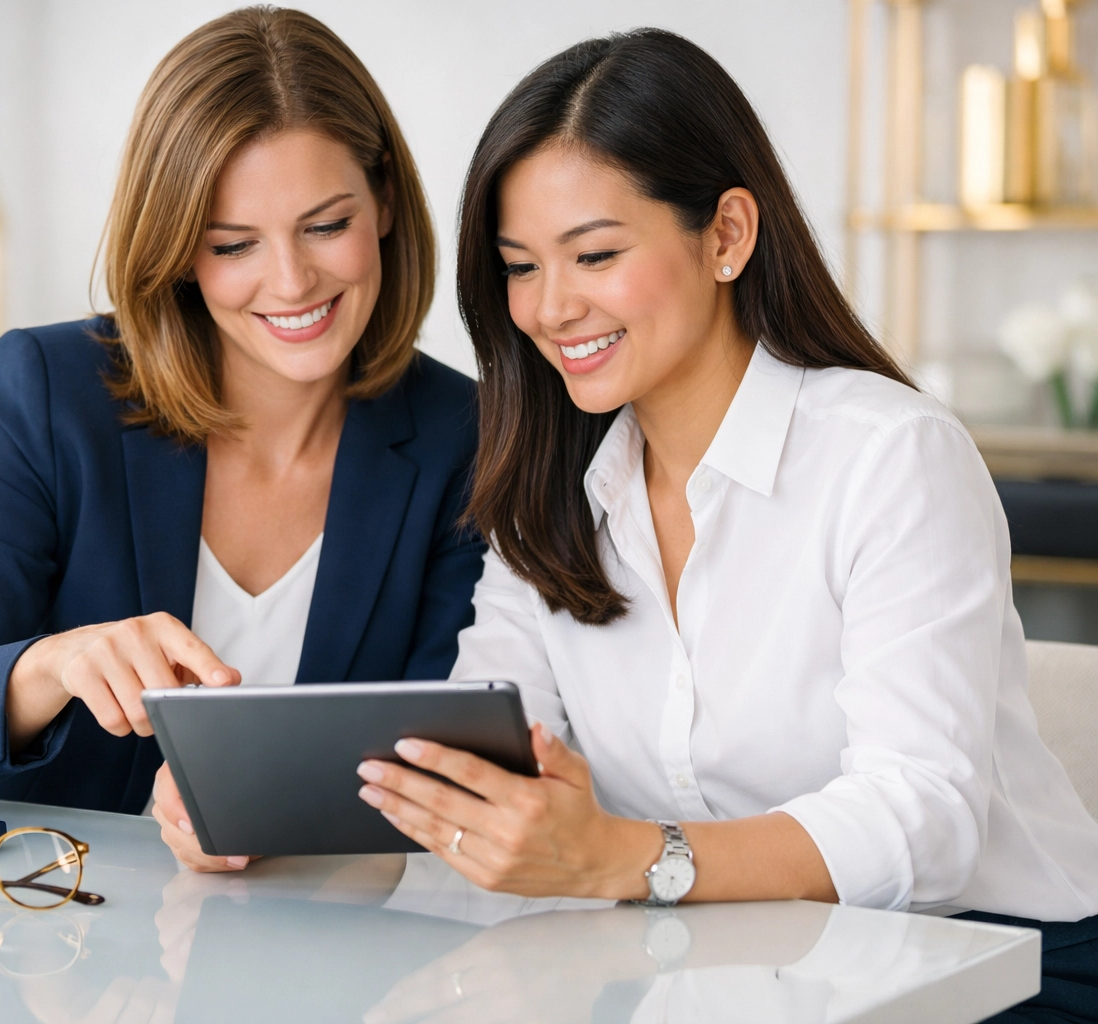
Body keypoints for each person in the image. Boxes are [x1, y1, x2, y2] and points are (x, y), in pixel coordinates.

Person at [355, 29, 1098, 1021]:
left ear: (726, 235)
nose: (548, 306)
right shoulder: (550, 491)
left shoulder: (889, 456)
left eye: (596, 254)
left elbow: (925, 818)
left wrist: (631, 857)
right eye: (520, 267)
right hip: (715, 972)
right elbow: (488, 750)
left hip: (989, 966)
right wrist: (287, 821)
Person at [0, 6, 484, 874]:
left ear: (383, 203)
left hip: (337, 951)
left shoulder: (467, 437)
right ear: (180, 250)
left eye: (327, 225)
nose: (293, 281)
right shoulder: (52, 393)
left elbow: (445, 772)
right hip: (64, 963)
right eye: (235, 244)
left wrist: (255, 804)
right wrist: (54, 665)